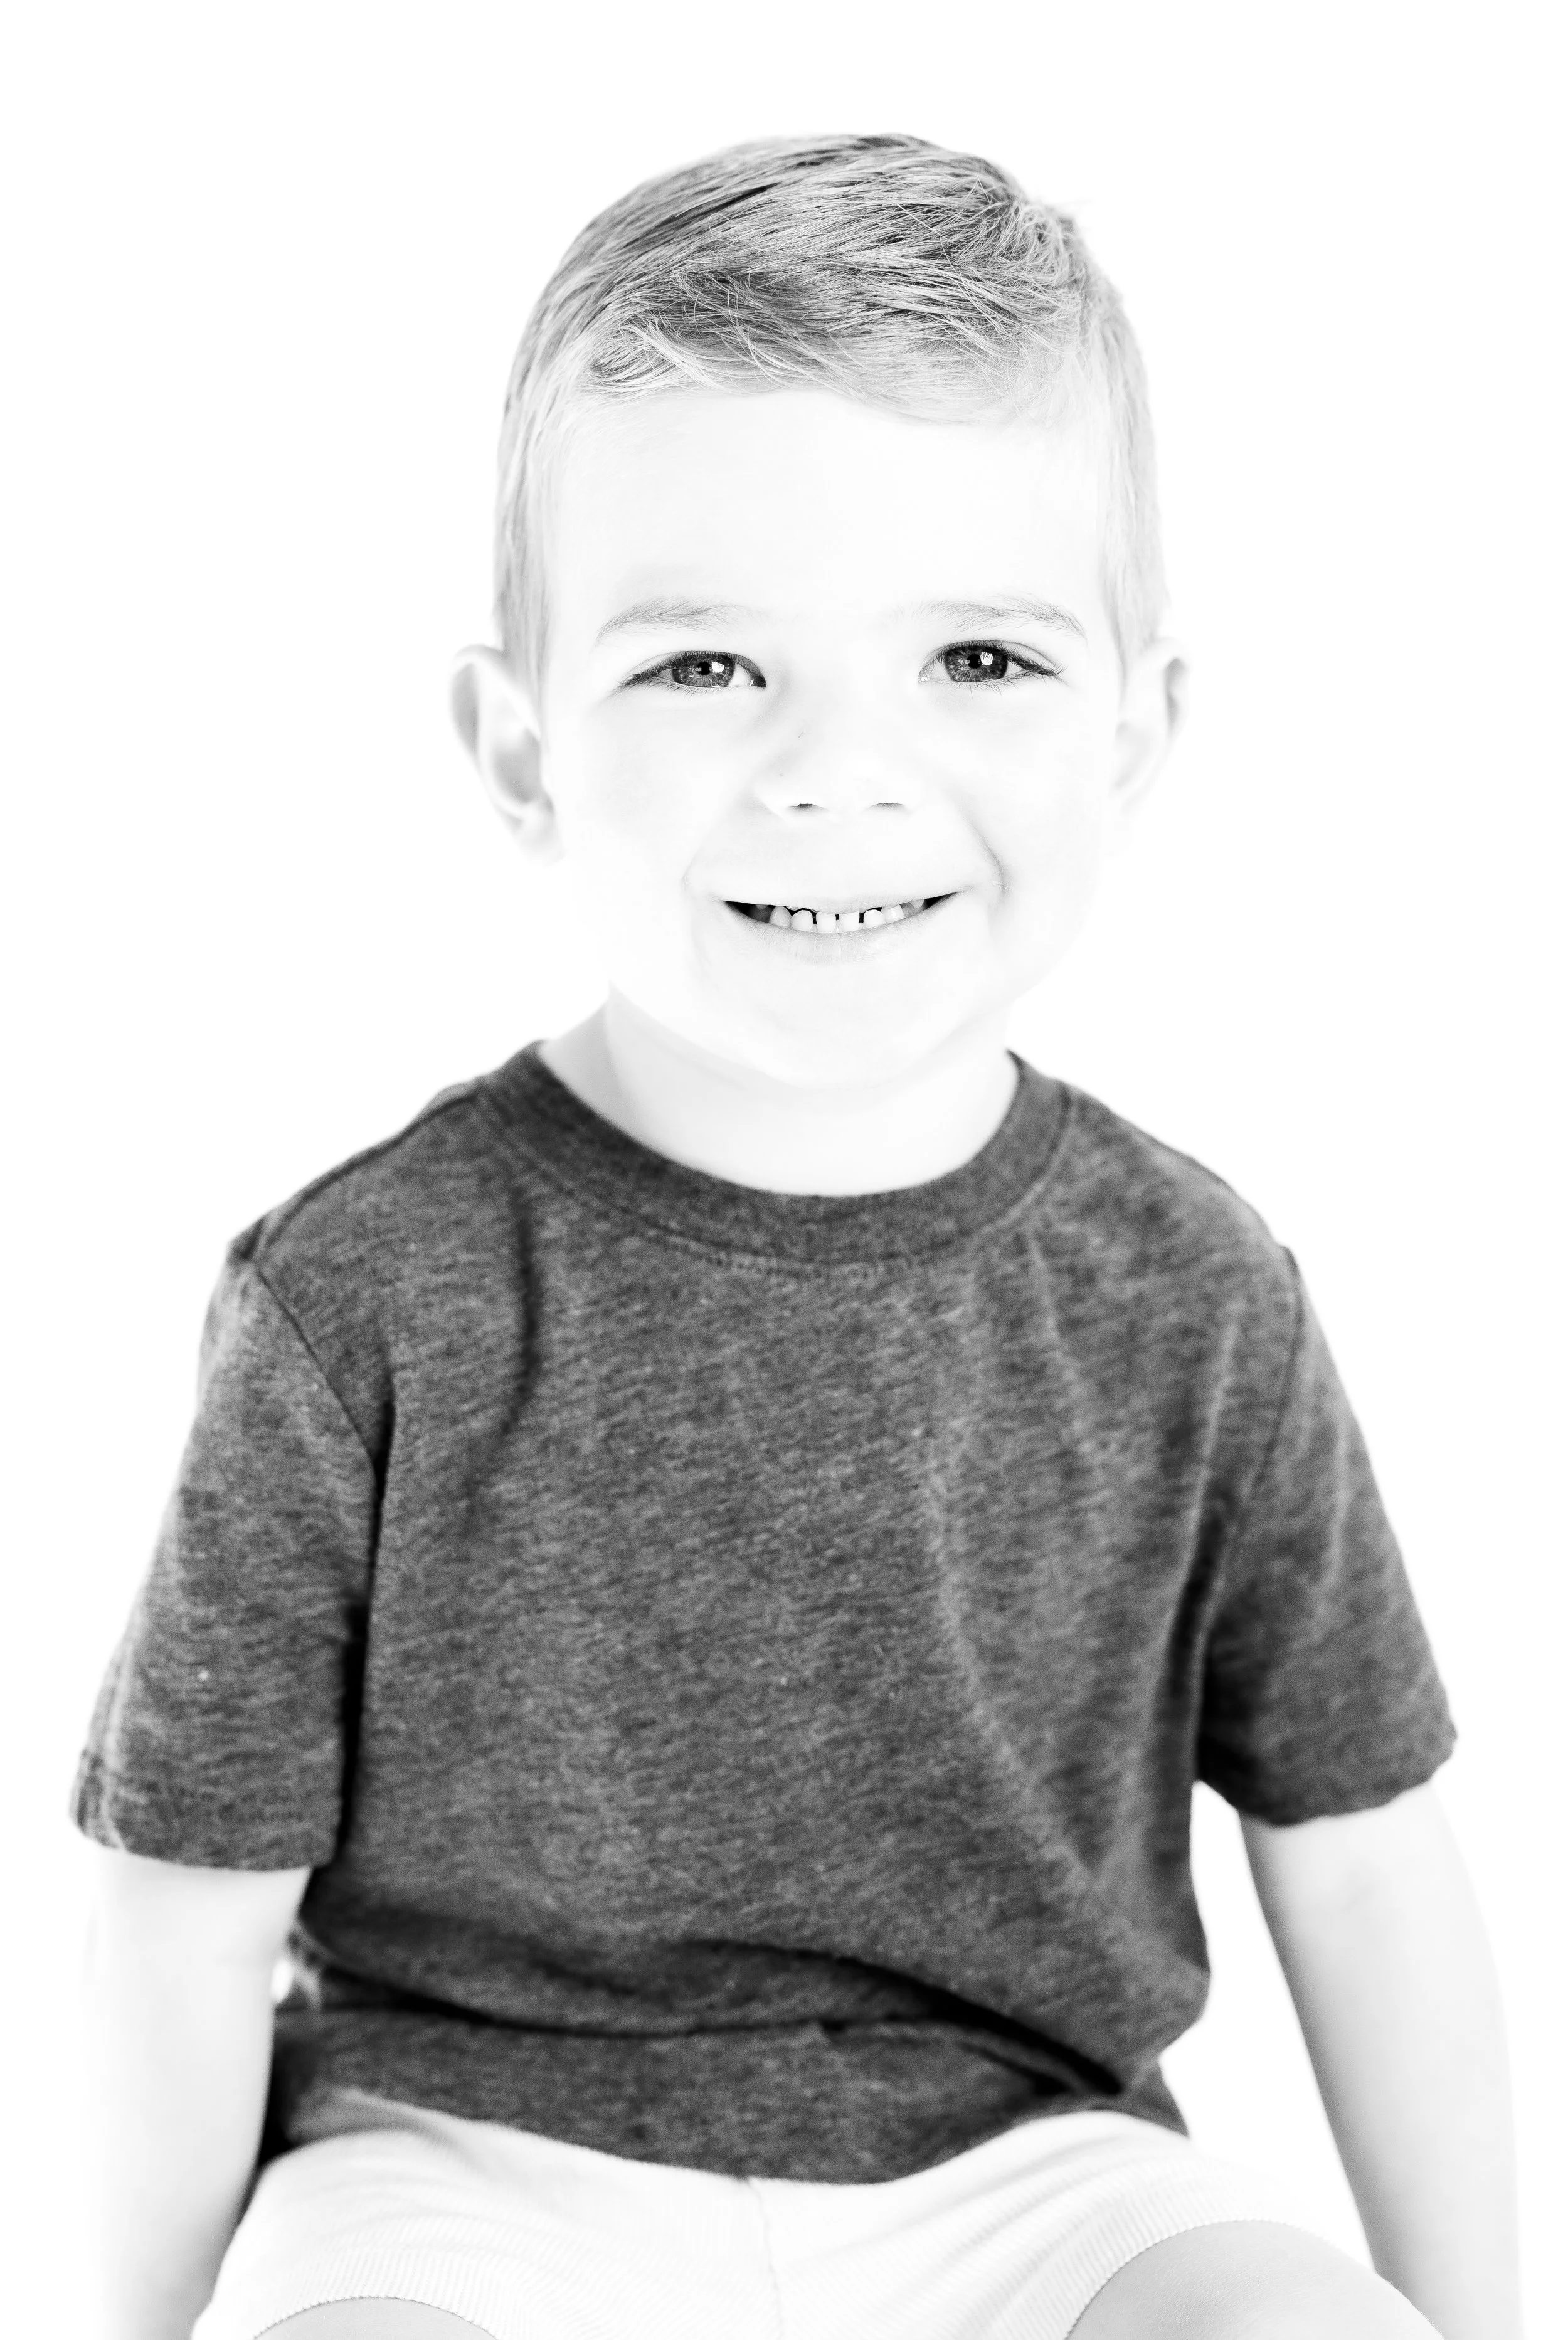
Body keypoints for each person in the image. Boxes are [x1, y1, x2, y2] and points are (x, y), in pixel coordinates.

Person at [73, 133, 1522, 2340]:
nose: (842, 772)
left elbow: (1361, 1856)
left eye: (976, 656)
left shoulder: (1190, 1286)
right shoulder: (365, 1294)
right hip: (459, 2165)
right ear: (518, 745)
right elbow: (178, 1917)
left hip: (1031, 2172)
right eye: (701, 669)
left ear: (1137, 732)